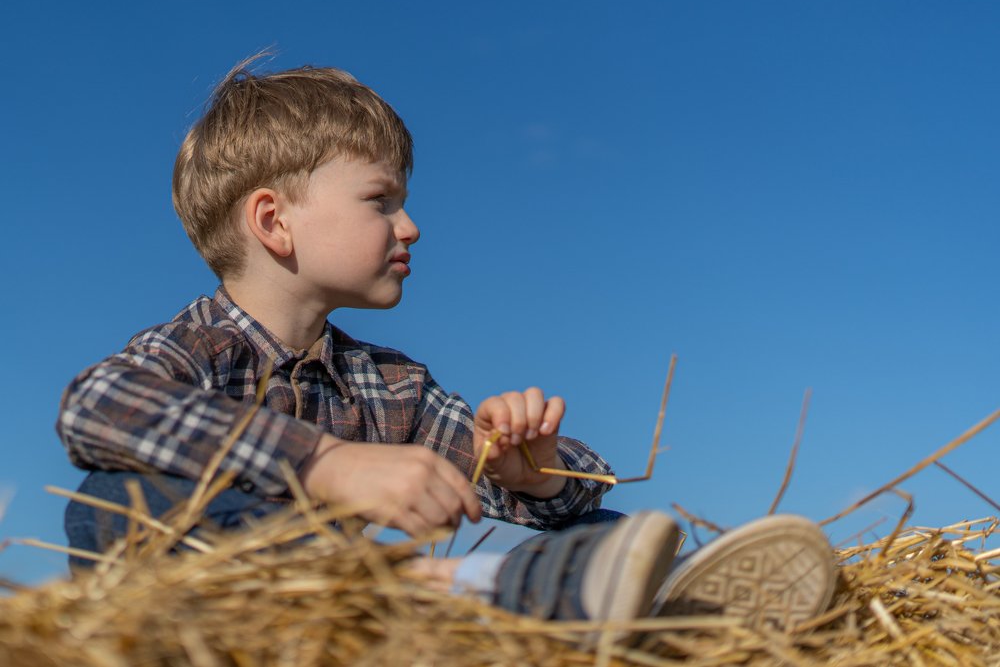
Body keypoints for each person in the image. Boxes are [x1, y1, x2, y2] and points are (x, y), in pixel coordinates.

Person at [56, 57, 836, 635]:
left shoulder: (390, 386)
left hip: (341, 632)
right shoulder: (200, 348)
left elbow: (570, 486)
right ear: (273, 222)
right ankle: (455, 586)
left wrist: (529, 473)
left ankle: (681, 605)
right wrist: (325, 463)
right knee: (113, 498)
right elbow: (92, 407)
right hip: (209, 626)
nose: (410, 225)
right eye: (380, 200)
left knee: (599, 532)